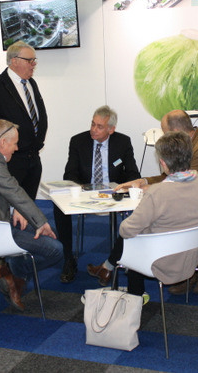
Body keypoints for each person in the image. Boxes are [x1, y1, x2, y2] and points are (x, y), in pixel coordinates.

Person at [86, 131, 198, 296]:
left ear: (163, 163)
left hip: (160, 260)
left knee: (133, 237)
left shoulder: (157, 192)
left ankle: (136, 297)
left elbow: (125, 231)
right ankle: (110, 271)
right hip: (193, 255)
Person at [115, 109, 198, 294]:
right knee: (152, 221)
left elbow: (181, 189)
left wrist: (150, 191)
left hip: (167, 249)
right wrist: (144, 181)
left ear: (163, 162)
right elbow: (179, 179)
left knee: (136, 232)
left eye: (164, 132)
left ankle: (134, 297)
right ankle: (197, 260)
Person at [0, 119, 62, 311]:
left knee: (54, 233)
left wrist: (17, 210)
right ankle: (16, 273)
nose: (16, 148)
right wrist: (41, 222)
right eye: (14, 143)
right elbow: (13, 190)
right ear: (3, 142)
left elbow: (1, 190)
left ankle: (12, 274)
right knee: (55, 249)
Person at [54, 106, 141, 283]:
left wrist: (123, 187)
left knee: (141, 209)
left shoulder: (123, 142)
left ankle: (124, 259)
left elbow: (133, 173)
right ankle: (68, 258)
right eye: (93, 124)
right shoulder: (78, 141)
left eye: (100, 126)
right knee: (58, 206)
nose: (93, 129)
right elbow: (69, 174)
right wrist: (83, 188)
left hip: (114, 194)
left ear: (111, 129)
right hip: (85, 192)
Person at [0, 41, 47, 200]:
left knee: (27, 205)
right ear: (14, 61)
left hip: (33, 158)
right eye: (29, 60)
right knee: (7, 205)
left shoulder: (31, 83)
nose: (33, 64)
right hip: (10, 161)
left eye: (34, 60)